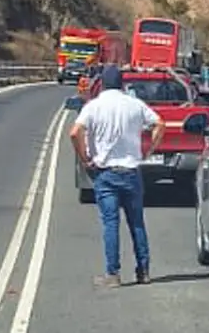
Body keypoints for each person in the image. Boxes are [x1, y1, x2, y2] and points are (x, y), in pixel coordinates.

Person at [69, 65, 164, 287]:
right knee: (137, 223)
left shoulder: (94, 107)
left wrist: (85, 158)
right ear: (122, 84)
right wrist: (150, 150)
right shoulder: (135, 105)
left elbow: (75, 132)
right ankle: (143, 271)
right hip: (131, 171)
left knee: (110, 223)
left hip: (105, 173)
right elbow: (160, 123)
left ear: (102, 83)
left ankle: (113, 274)